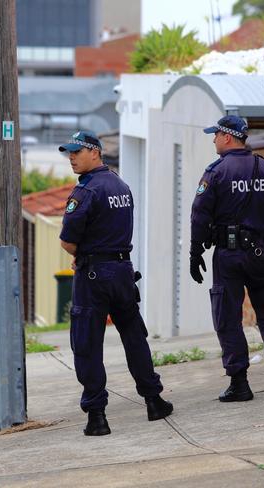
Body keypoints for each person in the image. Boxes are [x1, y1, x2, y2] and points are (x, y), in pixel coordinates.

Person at [58, 130, 173, 436]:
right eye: (69, 153)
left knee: (87, 344)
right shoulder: (121, 185)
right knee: (134, 337)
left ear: (95, 152)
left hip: (94, 276)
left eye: (76, 152)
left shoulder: (85, 192)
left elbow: (68, 242)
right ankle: (153, 400)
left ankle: (97, 416)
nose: (71, 157)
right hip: (122, 271)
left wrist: (84, 254)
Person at [189, 115, 264, 402]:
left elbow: (200, 215)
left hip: (229, 255)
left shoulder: (216, 172)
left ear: (227, 137)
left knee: (227, 316)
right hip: (260, 253)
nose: (213, 139)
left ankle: (239, 383)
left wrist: (195, 251)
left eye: (215, 135)